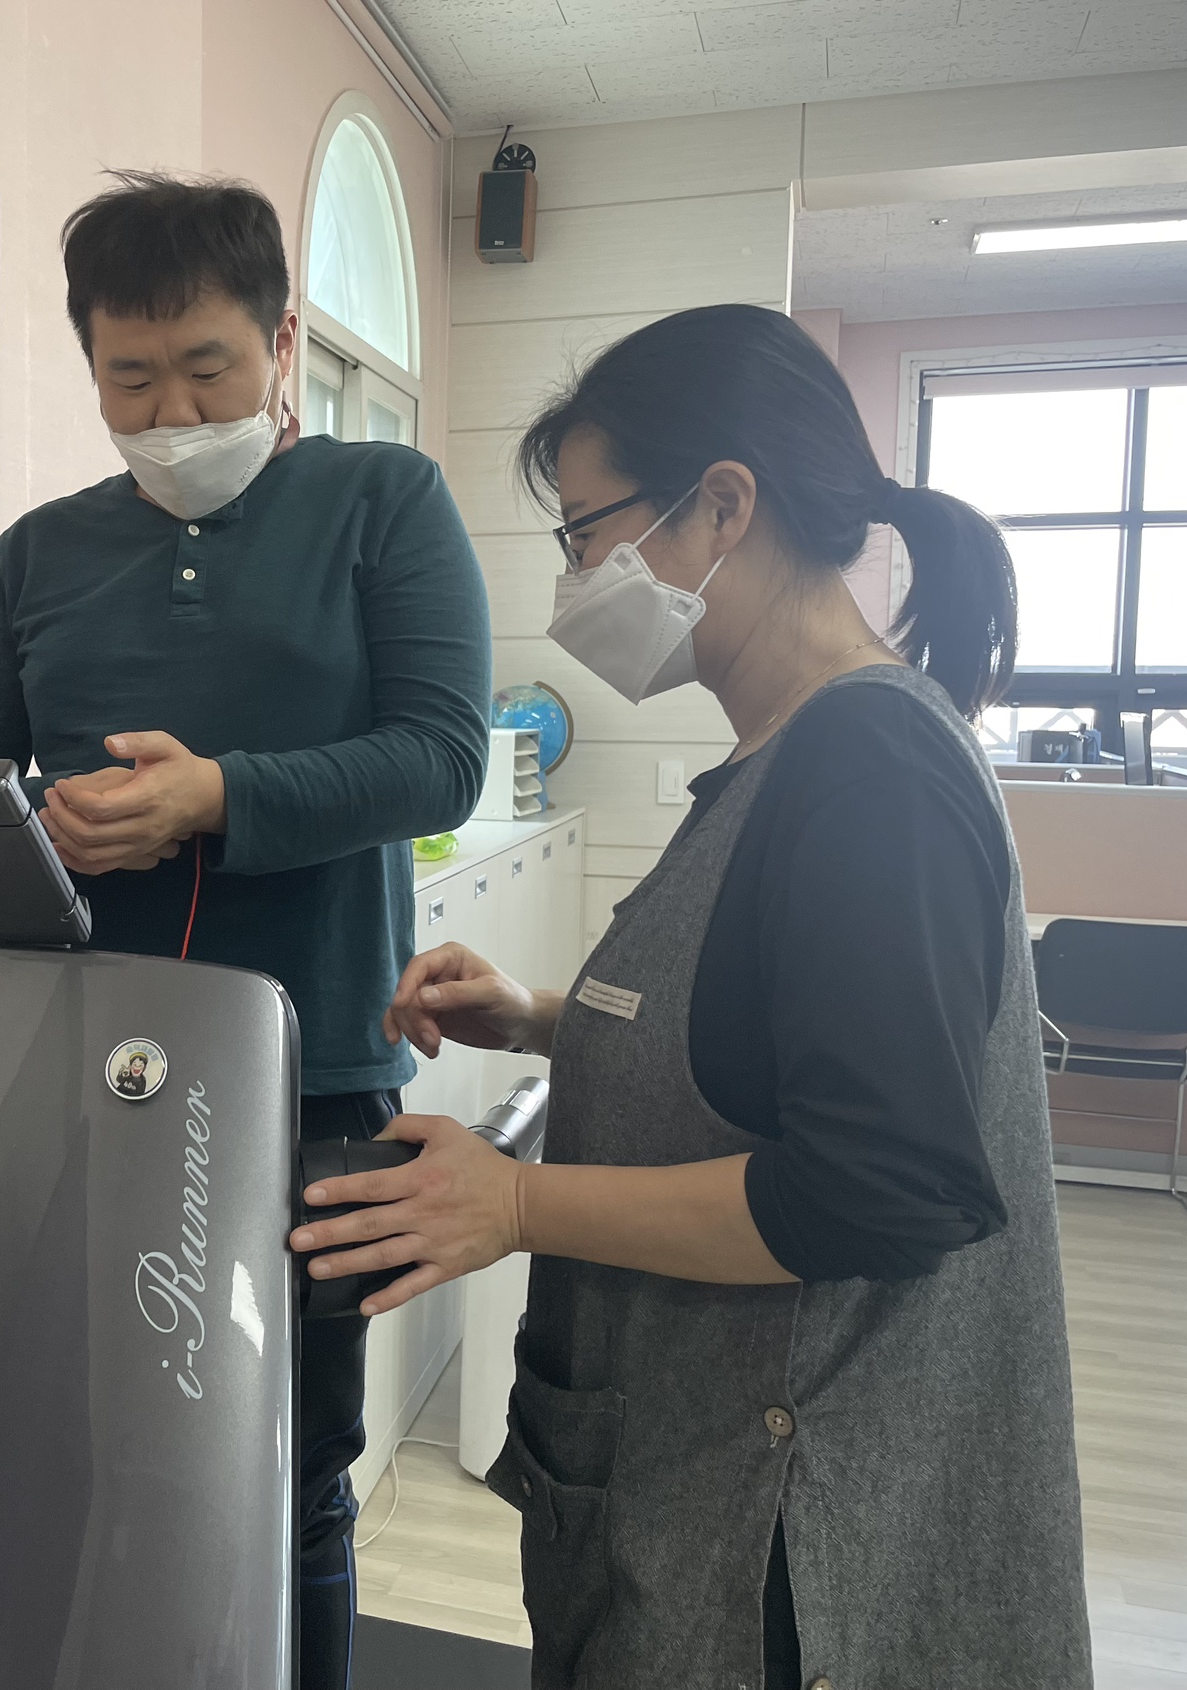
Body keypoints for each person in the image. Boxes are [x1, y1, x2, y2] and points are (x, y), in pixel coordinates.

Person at [286, 303, 1092, 1690]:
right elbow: (773, 1028)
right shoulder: (788, 751)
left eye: (588, 535)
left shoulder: (874, 765)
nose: (576, 581)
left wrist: (517, 1203)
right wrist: (543, 1015)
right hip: (693, 1482)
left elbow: (873, 1188)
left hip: (796, 1542)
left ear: (724, 504)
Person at [0, 172, 492, 1688]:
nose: (171, 412)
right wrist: (42, 817)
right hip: (79, 1069)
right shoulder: (40, 552)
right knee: (87, 1443)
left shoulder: (384, 503)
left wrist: (216, 797)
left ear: (283, 343)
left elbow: (442, 756)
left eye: (207, 367)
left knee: (291, 1463)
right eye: (130, 379)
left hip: (314, 1073)